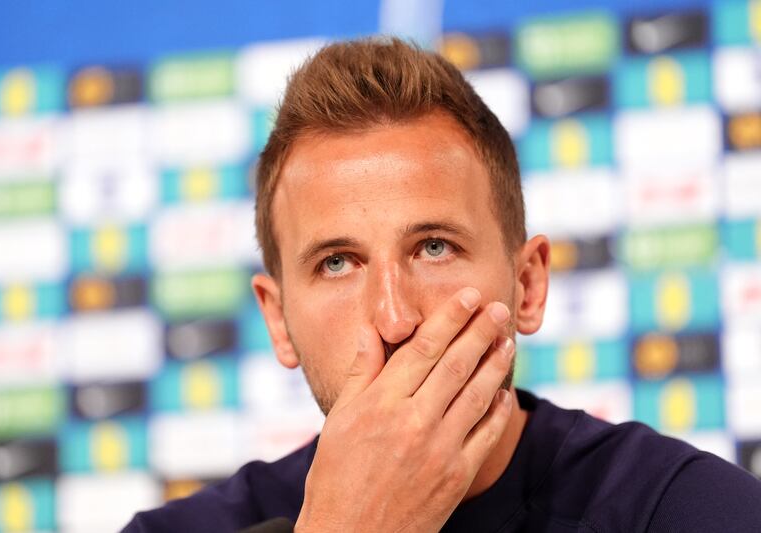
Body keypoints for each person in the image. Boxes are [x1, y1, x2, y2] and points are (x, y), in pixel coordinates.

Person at [122, 37, 761, 533]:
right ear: (279, 319)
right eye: (338, 263)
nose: (395, 319)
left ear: (528, 285)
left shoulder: (691, 511)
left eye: (434, 248)